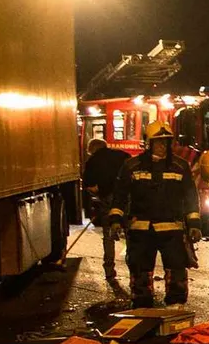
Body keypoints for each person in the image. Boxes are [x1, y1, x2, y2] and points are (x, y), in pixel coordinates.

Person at [106, 120, 202, 308]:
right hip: (141, 229)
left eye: (166, 142)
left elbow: (191, 197)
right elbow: (120, 196)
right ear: (148, 143)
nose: (162, 146)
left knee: (176, 269)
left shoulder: (180, 166)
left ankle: (176, 305)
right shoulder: (132, 166)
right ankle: (142, 304)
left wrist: (195, 224)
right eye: (158, 142)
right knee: (140, 269)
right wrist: (115, 219)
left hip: (172, 230)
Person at [82, 137, 131, 284]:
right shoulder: (123, 156)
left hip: (108, 200)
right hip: (127, 199)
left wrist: (99, 191)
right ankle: (134, 269)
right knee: (131, 234)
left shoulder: (92, 161)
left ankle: (109, 270)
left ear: (92, 150)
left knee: (108, 236)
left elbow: (89, 185)